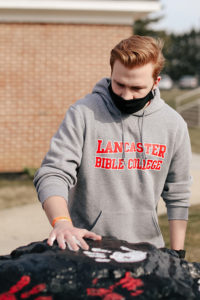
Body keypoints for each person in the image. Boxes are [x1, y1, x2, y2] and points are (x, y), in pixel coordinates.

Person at [34, 35, 191, 255]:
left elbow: (178, 194)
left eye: (136, 88)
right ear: (111, 74)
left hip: (146, 250)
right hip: (87, 247)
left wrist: (177, 253)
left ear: (156, 82)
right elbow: (53, 173)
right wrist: (62, 222)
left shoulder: (173, 125)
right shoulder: (83, 114)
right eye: (119, 84)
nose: (126, 96)